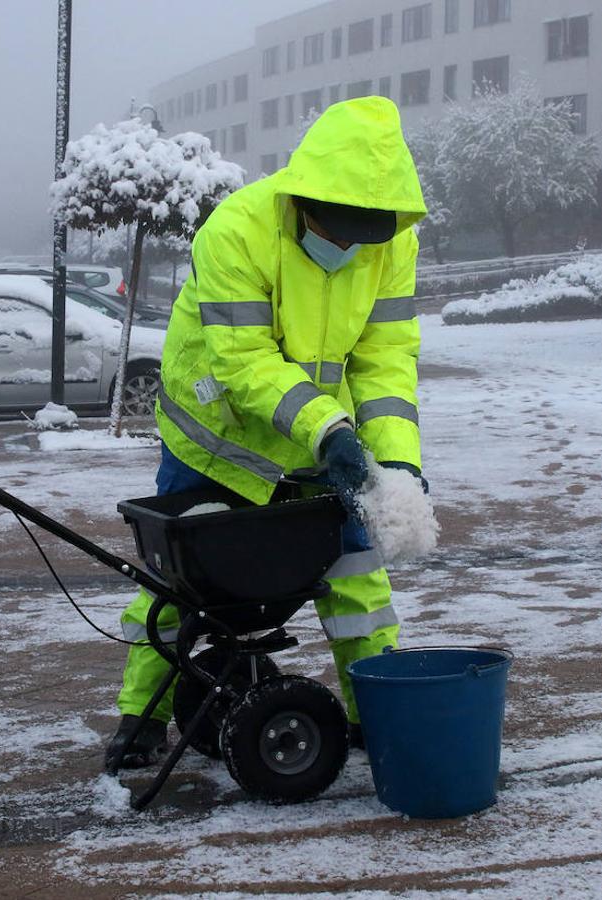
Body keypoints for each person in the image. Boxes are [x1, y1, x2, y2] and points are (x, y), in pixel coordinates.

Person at [105, 96, 428, 770]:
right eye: (333, 231)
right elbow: (243, 360)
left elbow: (384, 360)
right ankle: (140, 717)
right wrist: (329, 430)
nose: (343, 249)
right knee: (179, 587)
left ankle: (380, 714)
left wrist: (397, 462)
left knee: (357, 579)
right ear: (302, 198)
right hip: (216, 438)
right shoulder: (236, 231)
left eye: (358, 238)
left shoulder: (391, 241)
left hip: (318, 439)